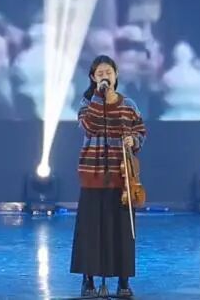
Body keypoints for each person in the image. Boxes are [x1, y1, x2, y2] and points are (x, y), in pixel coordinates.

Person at [71, 55, 146, 298]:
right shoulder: (87, 104)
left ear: (116, 75)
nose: (105, 76)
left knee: (122, 231)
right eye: (100, 73)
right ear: (93, 78)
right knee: (91, 230)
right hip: (93, 175)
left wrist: (134, 139)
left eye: (109, 72)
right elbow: (88, 127)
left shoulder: (129, 104)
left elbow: (141, 131)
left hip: (122, 177)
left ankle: (123, 281)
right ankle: (88, 281)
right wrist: (98, 96)